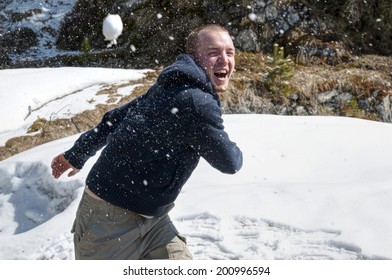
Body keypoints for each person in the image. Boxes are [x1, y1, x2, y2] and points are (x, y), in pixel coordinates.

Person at [51, 24, 243, 260]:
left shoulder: (175, 84)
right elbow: (230, 162)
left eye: (230, 52)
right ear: (194, 57)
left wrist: (77, 154)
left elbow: (116, 118)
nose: (224, 59)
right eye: (214, 52)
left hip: (153, 220)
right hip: (110, 219)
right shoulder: (194, 100)